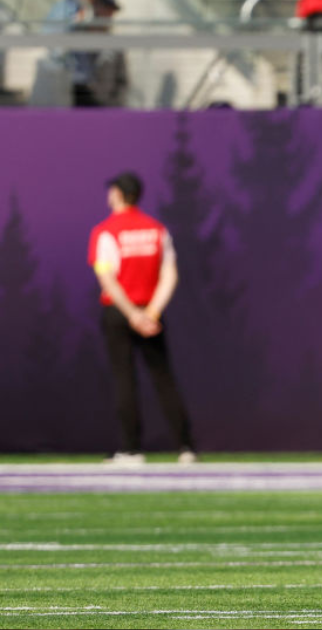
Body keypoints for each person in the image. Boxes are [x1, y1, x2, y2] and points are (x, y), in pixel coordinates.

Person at [88, 172, 197, 466]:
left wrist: (133, 314)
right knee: (164, 378)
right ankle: (185, 446)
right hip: (150, 312)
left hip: (120, 312)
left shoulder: (106, 231)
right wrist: (151, 313)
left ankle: (132, 449)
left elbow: (106, 277)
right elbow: (170, 274)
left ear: (119, 195)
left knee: (125, 380)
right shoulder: (157, 230)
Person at [43, 0, 126, 107]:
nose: (106, 16)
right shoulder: (75, 34)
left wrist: (114, 108)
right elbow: (57, 56)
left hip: (105, 106)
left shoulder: (116, 44)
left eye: (109, 13)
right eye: (100, 9)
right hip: (75, 102)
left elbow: (122, 80)